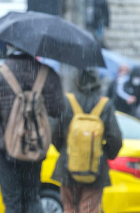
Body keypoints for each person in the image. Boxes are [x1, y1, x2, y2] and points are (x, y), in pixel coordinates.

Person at [0, 45, 64, 213]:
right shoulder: (47, 73)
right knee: (33, 198)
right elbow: (58, 109)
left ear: (11, 46)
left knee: (12, 201)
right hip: (35, 145)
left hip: (4, 149)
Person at [51, 69, 122, 213]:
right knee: (89, 208)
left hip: (67, 166)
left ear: (76, 80)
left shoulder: (68, 101)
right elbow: (115, 138)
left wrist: (66, 149)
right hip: (95, 168)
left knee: (69, 207)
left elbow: (54, 132)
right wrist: (103, 153)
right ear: (97, 81)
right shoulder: (105, 105)